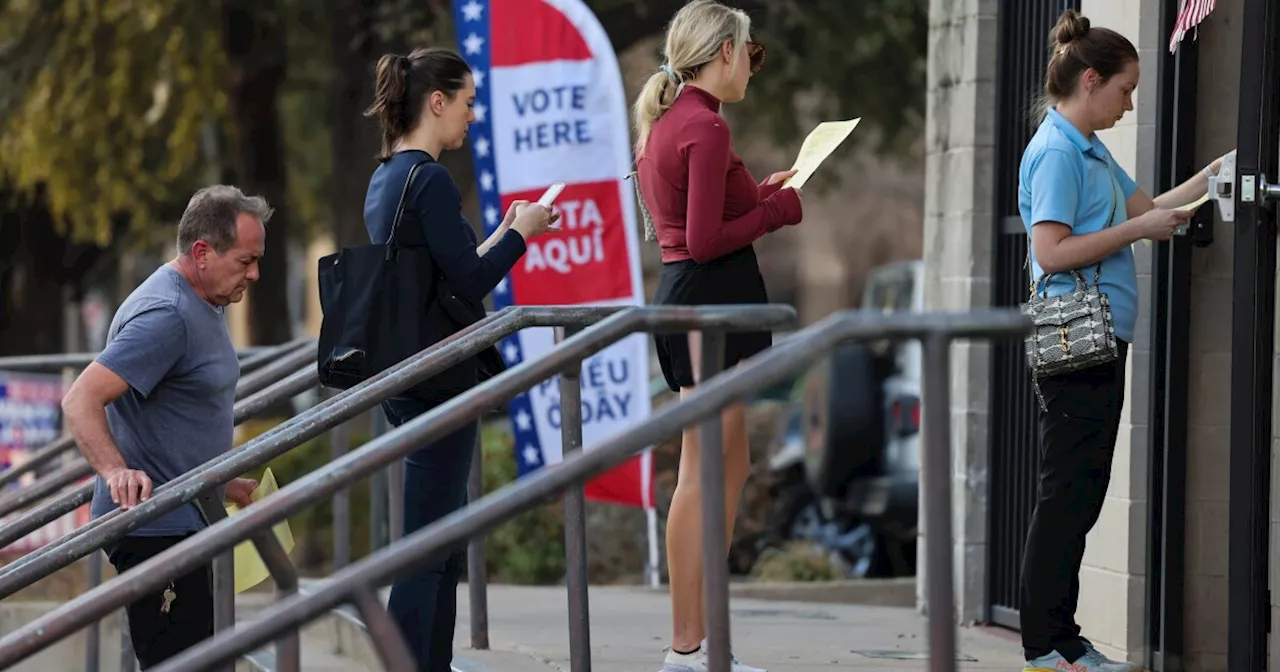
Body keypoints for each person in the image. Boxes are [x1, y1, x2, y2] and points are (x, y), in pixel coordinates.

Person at [1017, 10, 1231, 672]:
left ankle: (1065, 637)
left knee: (1082, 490)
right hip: (1076, 340)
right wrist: (1141, 233)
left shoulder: (1086, 145)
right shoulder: (1058, 150)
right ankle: (1041, 647)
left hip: (1102, 340)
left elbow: (1149, 207)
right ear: (1090, 79)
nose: (1130, 103)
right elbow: (1050, 252)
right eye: (1124, 89)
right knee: (1065, 493)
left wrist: (1218, 172)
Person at [361, 46, 558, 671]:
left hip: (408, 371)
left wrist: (507, 230)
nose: (473, 117)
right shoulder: (432, 178)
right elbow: (470, 283)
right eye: (469, 104)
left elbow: (445, 276)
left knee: (440, 537)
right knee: (431, 542)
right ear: (437, 102)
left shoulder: (387, 176)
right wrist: (523, 235)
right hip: (440, 376)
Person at [632, 2, 803, 670]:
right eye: (750, 54)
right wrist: (775, 212)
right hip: (705, 306)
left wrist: (759, 195)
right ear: (724, 53)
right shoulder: (702, 127)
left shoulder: (680, 123)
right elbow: (702, 242)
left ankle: (704, 642)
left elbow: (695, 221)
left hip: (704, 306)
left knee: (728, 466)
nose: (752, 68)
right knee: (703, 472)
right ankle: (687, 647)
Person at [60, 185, 271, 669]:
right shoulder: (167, 315)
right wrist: (115, 472)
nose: (255, 274)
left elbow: (170, 411)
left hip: (184, 515)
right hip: (158, 529)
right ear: (202, 253)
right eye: (245, 261)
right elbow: (81, 399)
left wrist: (217, 481)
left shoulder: (204, 300)